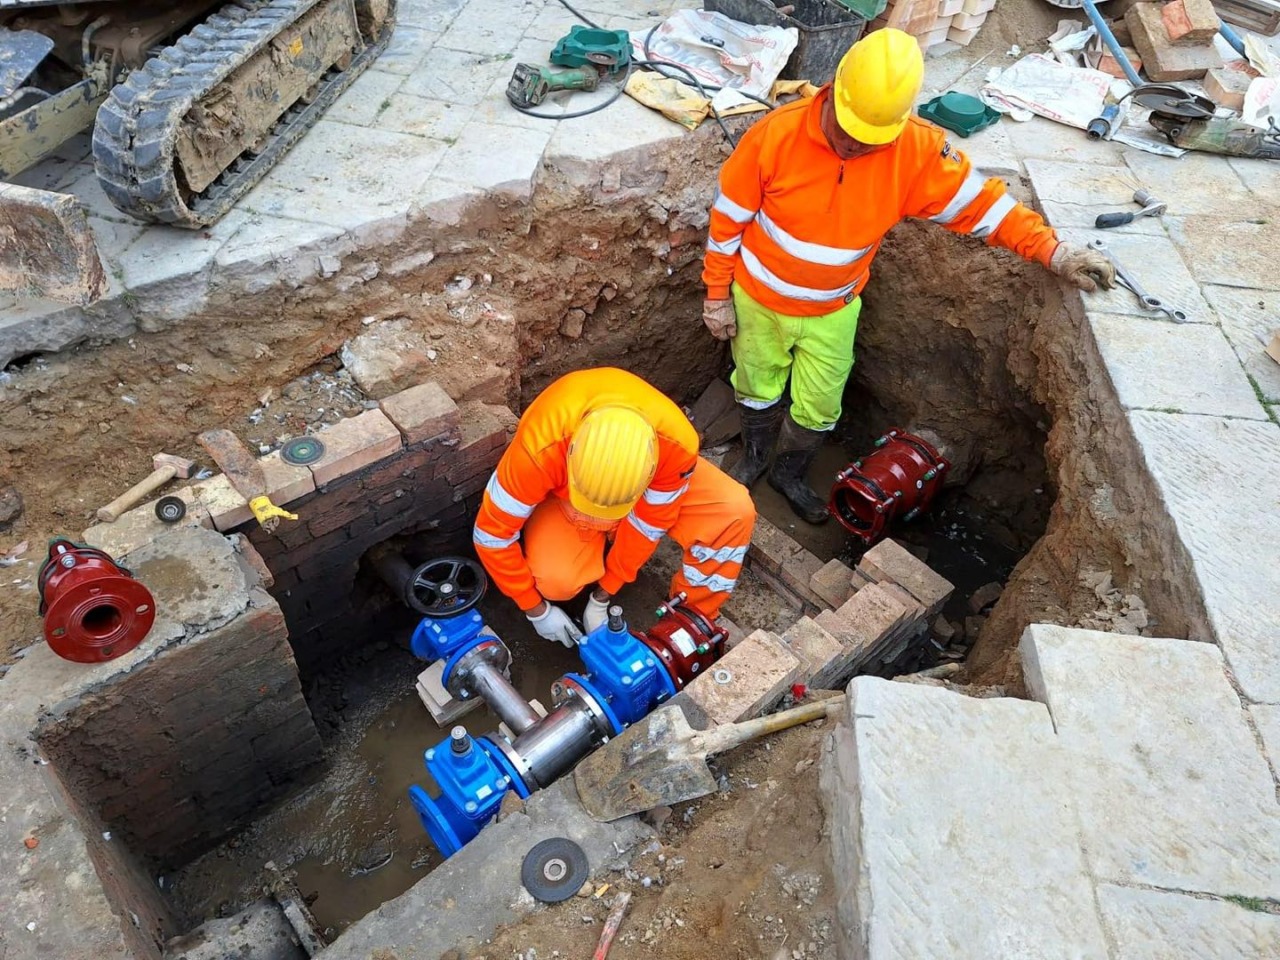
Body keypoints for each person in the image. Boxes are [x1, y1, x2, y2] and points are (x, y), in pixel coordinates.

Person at [701, 28, 1116, 524]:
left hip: (832, 310)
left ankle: (787, 475)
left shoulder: (915, 151)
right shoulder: (775, 136)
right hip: (758, 300)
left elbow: (984, 207)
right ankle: (754, 458)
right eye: (848, 132)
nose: (855, 146)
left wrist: (1053, 250)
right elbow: (727, 223)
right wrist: (716, 295)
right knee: (756, 384)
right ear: (832, 90)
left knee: (820, 404)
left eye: (869, 140)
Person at [472, 367, 756, 647]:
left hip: (655, 479)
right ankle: (589, 541)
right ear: (571, 455)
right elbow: (491, 534)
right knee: (556, 582)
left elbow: (648, 526)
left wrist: (604, 594)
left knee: (732, 512)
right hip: (566, 503)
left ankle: (689, 624)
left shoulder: (675, 446)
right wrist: (536, 609)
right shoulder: (538, 450)